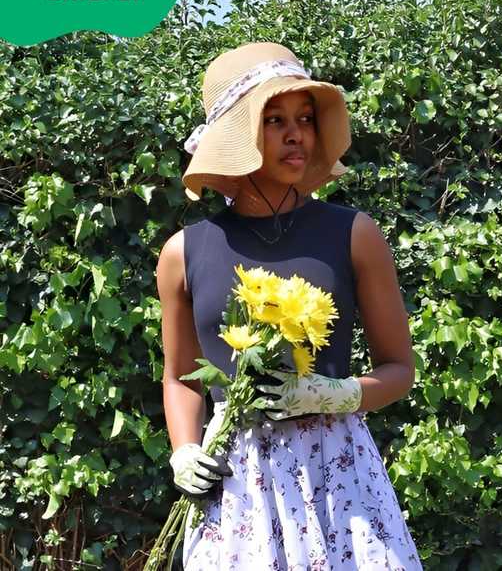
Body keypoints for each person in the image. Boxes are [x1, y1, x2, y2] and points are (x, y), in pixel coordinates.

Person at [154, 42, 422, 569]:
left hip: (338, 477)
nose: (296, 133)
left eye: (304, 117)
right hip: (237, 482)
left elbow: (400, 369)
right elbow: (180, 378)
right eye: (273, 119)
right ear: (237, 138)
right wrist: (184, 450)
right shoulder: (183, 253)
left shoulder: (353, 234)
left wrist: (333, 394)